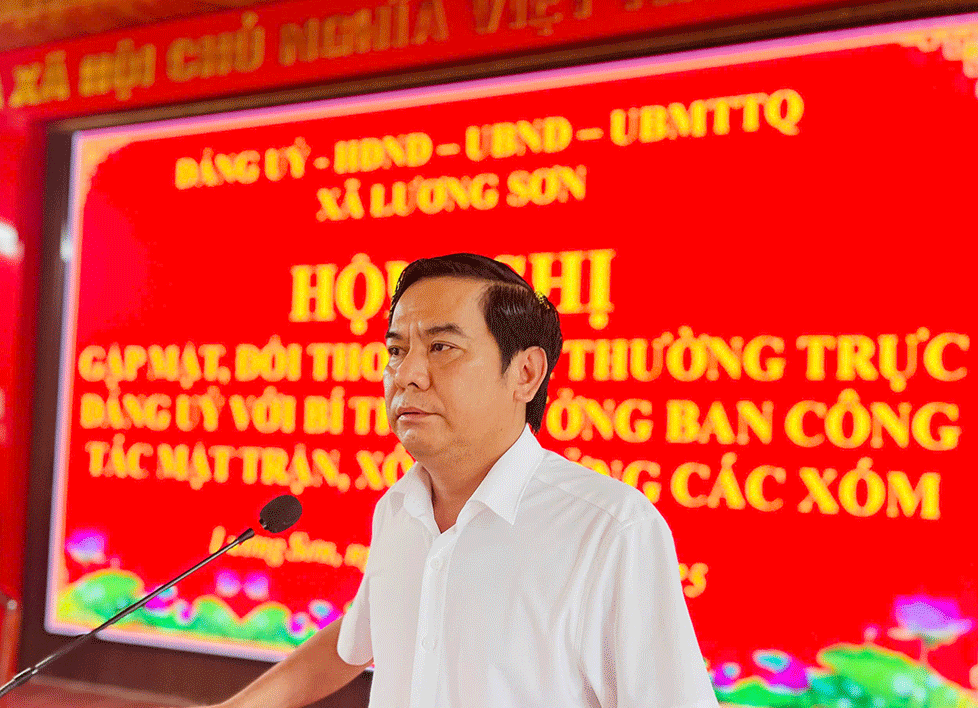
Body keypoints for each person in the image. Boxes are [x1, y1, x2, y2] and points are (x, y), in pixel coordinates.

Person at [205, 253, 718, 708]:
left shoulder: (609, 529)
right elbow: (359, 639)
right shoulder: (399, 510)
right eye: (396, 350)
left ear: (526, 374)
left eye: (442, 347)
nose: (407, 374)